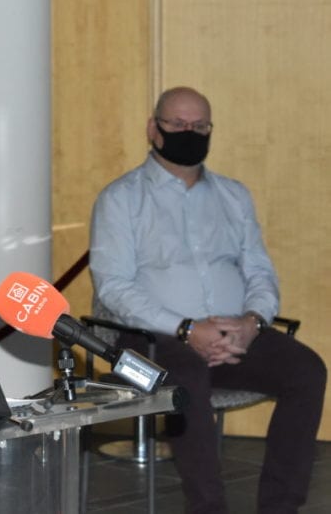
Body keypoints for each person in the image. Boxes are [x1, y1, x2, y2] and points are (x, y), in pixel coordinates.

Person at [89, 86, 326, 514]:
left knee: (307, 371)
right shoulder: (121, 199)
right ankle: (208, 507)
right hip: (149, 341)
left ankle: (280, 506)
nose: (189, 132)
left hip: (234, 332)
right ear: (153, 129)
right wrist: (186, 329)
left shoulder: (233, 196)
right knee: (188, 378)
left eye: (200, 126)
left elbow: (259, 271)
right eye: (177, 124)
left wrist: (253, 321)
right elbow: (114, 289)